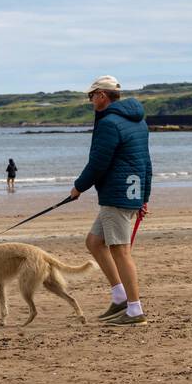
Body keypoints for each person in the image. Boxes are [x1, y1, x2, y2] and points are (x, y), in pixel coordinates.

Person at [70, 76, 152, 326]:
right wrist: (144, 196)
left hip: (116, 194)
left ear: (102, 96)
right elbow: (146, 163)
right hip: (130, 193)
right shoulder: (138, 122)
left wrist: (78, 187)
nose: (90, 100)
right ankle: (120, 298)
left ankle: (135, 310)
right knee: (95, 242)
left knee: (120, 251)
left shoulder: (110, 123)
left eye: (91, 95)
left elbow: (98, 163)